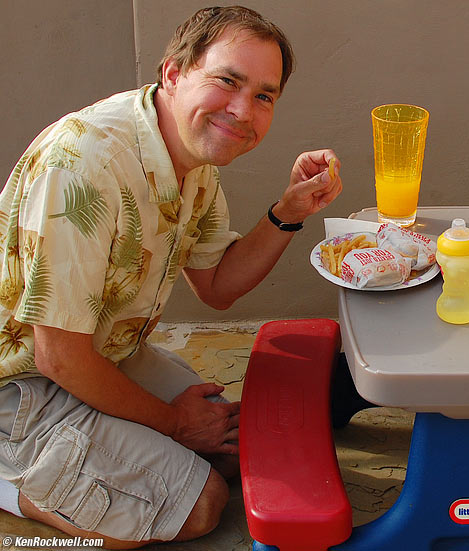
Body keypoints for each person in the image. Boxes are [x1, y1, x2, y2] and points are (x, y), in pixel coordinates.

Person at [0, 5, 342, 547]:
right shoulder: (83, 165)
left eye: (263, 96)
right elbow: (57, 356)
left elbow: (218, 286)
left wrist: (290, 211)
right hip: (19, 384)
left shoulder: (189, 155)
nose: (242, 110)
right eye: (227, 81)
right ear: (174, 73)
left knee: (235, 451)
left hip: (101, 354)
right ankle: (7, 481)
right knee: (198, 506)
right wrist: (171, 423)